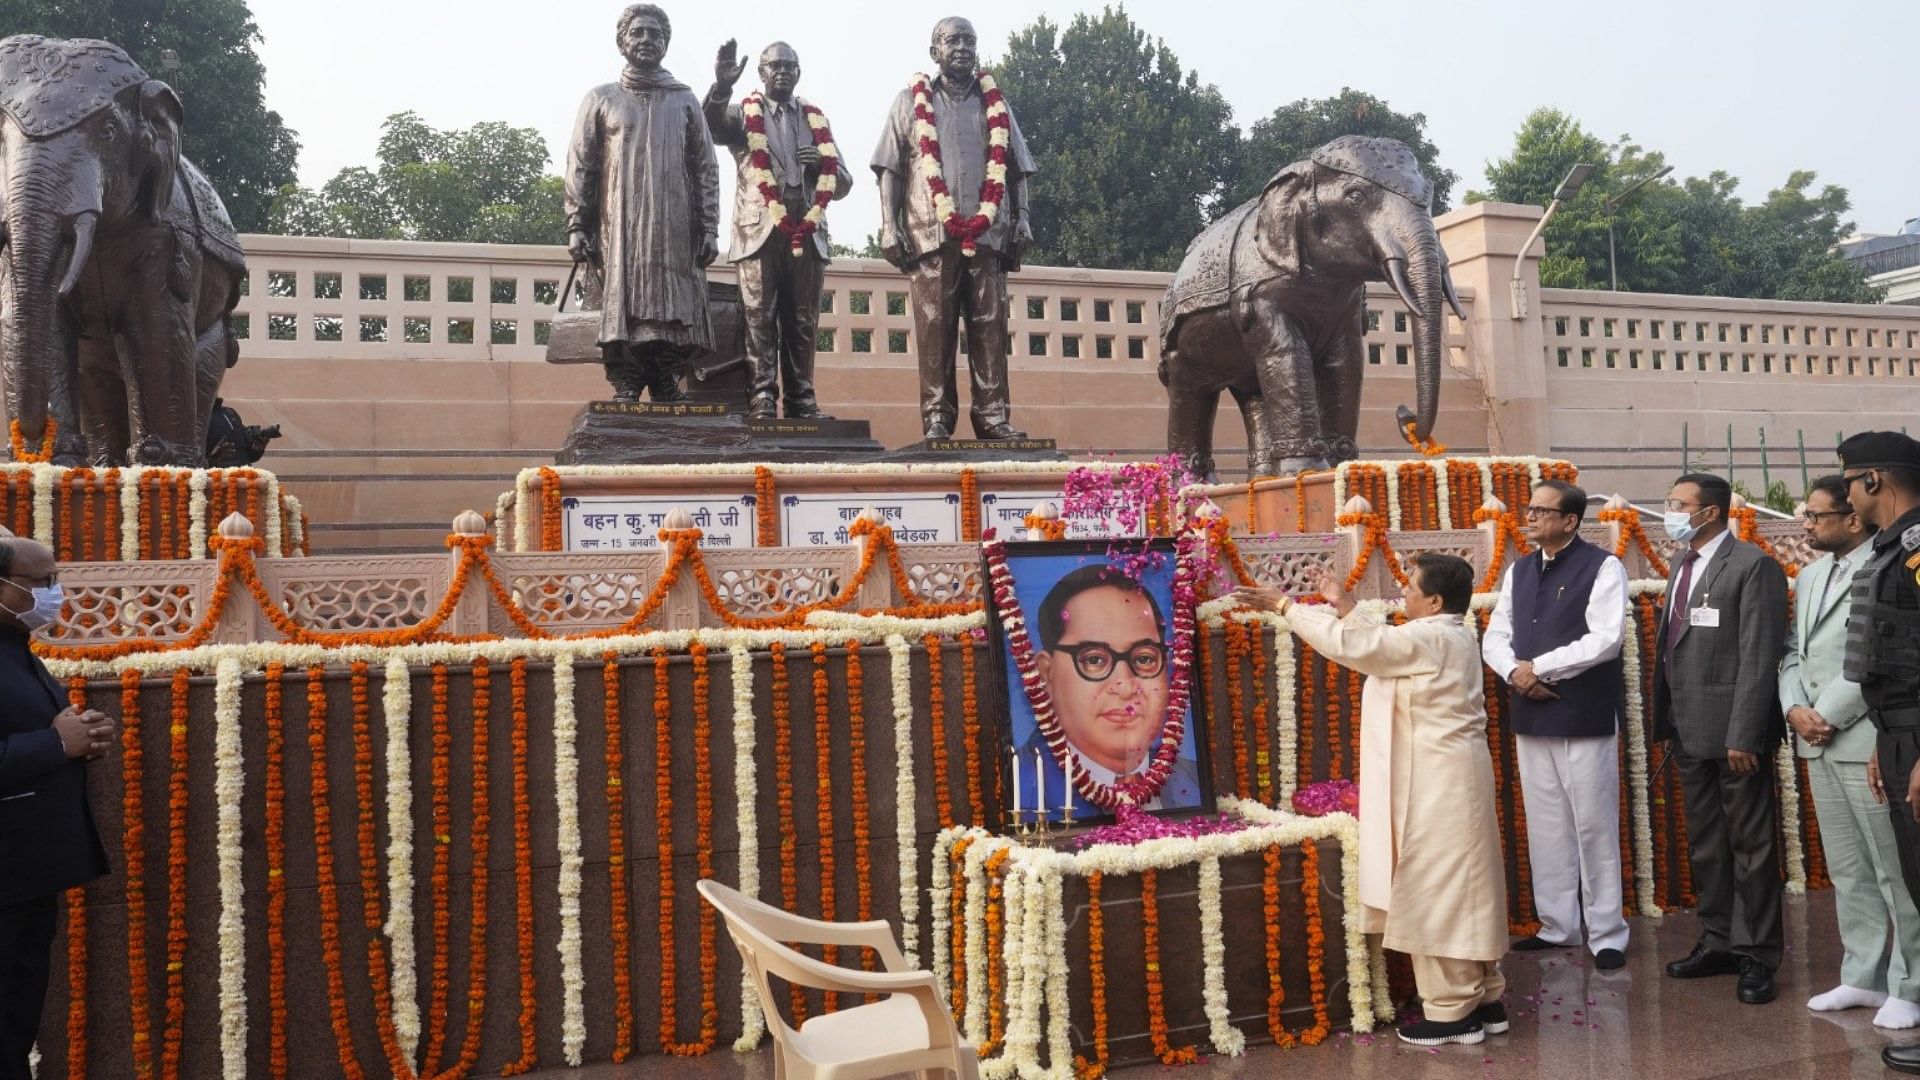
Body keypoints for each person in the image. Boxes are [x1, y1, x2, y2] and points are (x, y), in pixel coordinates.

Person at [1237, 554, 1509, 1047]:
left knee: (1436, 886)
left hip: (1438, 781)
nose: (1403, 596)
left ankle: (1453, 1013)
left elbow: (1362, 647)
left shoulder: (1433, 636)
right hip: (1446, 776)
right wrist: (1344, 604)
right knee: (1463, 885)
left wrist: (1286, 607)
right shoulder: (1444, 633)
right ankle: (1484, 999)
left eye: (1410, 589)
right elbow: (1381, 644)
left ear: (1435, 601)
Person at [1782, 473, 1920, 1028]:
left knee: (1895, 872)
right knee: (1848, 870)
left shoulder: (1889, 565)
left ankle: (1909, 983)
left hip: (1865, 736)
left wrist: (1828, 715)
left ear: (1853, 518)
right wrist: (1794, 708)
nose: (1807, 524)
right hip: (1815, 741)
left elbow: (1883, 658)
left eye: (1816, 516)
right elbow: (1794, 650)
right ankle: (1861, 976)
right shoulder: (1812, 573)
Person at [1651, 472, 1789, 1005]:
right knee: (1707, 844)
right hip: (1688, 727)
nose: (1670, 511)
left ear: (1709, 512)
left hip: (1735, 733)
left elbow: (1758, 658)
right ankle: (1718, 941)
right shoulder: (1682, 564)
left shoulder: (1754, 567)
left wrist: (1746, 733)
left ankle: (1757, 955)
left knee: (1751, 846)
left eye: (1677, 504)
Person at [1482, 479, 1630, 969]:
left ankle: (1608, 933)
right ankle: (1558, 926)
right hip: (1532, 712)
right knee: (1546, 825)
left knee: (1593, 824)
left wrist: (1537, 668)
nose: (1530, 518)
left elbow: (1605, 640)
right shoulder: (1520, 570)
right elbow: (1495, 635)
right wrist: (1515, 674)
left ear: (1569, 521)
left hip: (1582, 711)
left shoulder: (1602, 566)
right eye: (1528, 510)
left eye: (1541, 512)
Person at [870, 15, 1037, 441]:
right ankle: (937, 419)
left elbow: (1016, 169)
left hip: (989, 235)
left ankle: (993, 416)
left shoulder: (995, 104)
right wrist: (890, 225)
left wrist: (1023, 219)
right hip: (930, 233)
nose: (962, 47)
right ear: (935, 52)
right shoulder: (909, 101)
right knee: (934, 329)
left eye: (969, 40)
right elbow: (889, 168)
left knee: (990, 328)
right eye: (953, 40)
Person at [564, 4, 721, 404]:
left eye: (655, 34)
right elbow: (582, 164)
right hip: (619, 224)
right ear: (622, 42)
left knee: (673, 304)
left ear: (666, 43)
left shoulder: (684, 100)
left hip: (674, 225)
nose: (647, 40)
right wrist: (577, 224)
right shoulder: (601, 98)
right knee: (626, 304)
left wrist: (708, 227)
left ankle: (667, 379)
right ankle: (628, 381)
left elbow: (705, 167)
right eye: (638, 33)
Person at [0, 537, 110, 1080]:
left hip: (27, 877)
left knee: (16, 1028)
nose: (54, 593)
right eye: (39, 582)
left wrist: (78, 736)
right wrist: (55, 745)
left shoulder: (17, 648)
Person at [705, 39, 852, 421]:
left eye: (790, 66)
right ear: (762, 73)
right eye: (775, 66)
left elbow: (845, 183)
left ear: (799, 73)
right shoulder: (743, 115)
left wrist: (821, 165)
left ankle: (802, 400)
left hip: (808, 235)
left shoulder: (815, 119)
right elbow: (711, 126)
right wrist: (721, 88)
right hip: (759, 231)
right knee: (759, 319)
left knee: (803, 323)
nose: (783, 72)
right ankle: (762, 399)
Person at [1833, 432, 1920, 1074]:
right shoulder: (1893, 548)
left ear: (1873, 482)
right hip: (1898, 734)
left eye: (1847, 481)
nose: (1844, 496)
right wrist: (1887, 742)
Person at [1025, 564, 1201, 815]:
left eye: (1144, 659)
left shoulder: (1194, 782)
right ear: (1045, 674)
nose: (1126, 687)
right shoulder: (1022, 790)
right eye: (1094, 660)